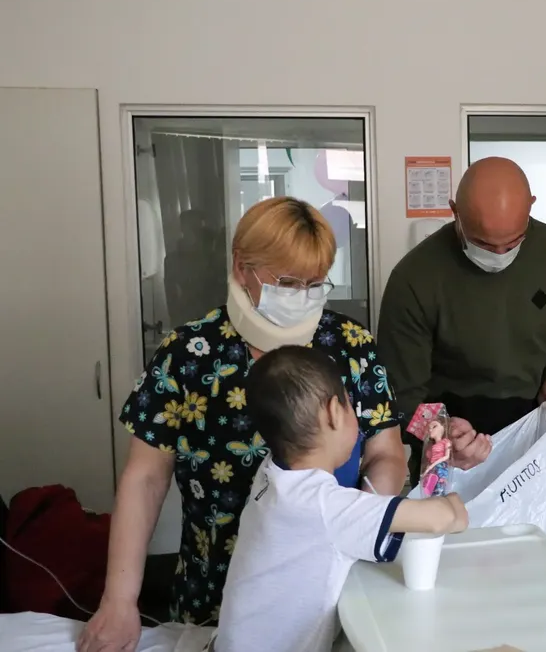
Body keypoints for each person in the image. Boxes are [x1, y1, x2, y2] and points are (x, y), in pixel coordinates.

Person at [78, 197, 407, 652]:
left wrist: (362, 518)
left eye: (315, 283)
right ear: (241, 266)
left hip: (330, 586)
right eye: (288, 282)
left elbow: (387, 453)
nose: (302, 295)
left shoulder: (350, 346)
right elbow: (145, 478)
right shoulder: (188, 354)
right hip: (214, 587)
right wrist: (119, 599)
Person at [213, 346, 468, 652]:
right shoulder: (325, 506)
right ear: (335, 412)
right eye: (350, 405)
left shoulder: (271, 474)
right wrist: (445, 469)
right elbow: (449, 517)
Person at [378, 157, 546, 477]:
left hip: (539, 434)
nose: (499, 256)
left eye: (514, 242)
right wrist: (440, 433)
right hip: (452, 445)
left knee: (542, 528)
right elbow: (398, 392)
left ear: (531, 206)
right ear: (455, 211)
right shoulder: (416, 276)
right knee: (454, 527)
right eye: (483, 244)